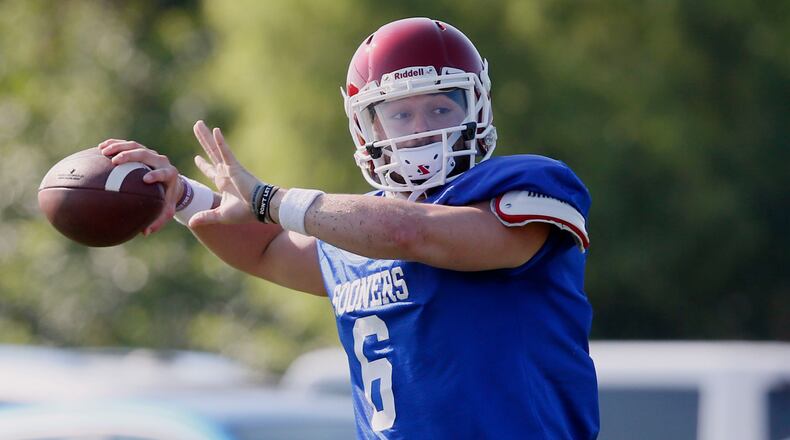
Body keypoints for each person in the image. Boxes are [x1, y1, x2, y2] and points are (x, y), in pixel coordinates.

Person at [99, 17, 599, 439]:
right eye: (400, 113)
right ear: (368, 128)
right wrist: (185, 196)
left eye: (441, 107)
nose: (422, 126)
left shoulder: (525, 185)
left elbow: (413, 234)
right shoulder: (354, 228)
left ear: (477, 108)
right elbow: (268, 248)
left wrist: (268, 198)